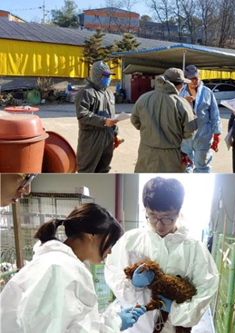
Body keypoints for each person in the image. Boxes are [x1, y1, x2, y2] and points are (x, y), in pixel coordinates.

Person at [0, 203, 147, 332]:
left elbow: (73, 322)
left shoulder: (63, 265)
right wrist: (115, 323)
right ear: (92, 236)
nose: (110, 251)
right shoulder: (58, 268)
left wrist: (112, 318)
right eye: (110, 243)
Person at [105, 177, 219, 333]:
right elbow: (114, 274)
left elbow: (206, 289)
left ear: (178, 212)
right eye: (152, 216)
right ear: (145, 209)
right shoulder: (131, 242)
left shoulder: (194, 249)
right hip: (136, 327)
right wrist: (133, 286)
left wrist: (175, 309)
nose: (159, 224)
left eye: (167, 217)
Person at [131, 68, 197, 173]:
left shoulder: (144, 98)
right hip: (170, 155)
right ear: (179, 85)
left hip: (146, 152)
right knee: (168, 186)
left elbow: (135, 121)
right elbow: (189, 132)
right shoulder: (182, 104)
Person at [75, 60, 121, 173]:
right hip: (91, 138)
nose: (108, 78)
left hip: (107, 137)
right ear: (96, 75)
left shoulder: (109, 93)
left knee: (104, 169)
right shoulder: (86, 92)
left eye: (109, 76)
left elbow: (111, 115)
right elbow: (82, 114)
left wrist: (115, 133)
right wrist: (104, 121)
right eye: (105, 76)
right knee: (87, 170)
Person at [180, 65, 222, 173]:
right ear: (185, 79)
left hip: (203, 136)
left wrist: (216, 134)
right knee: (184, 166)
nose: (194, 81)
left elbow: (215, 114)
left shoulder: (207, 93)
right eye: (191, 79)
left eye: (196, 78)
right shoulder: (180, 93)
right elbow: (174, 113)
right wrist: (183, 102)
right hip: (185, 137)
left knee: (202, 166)